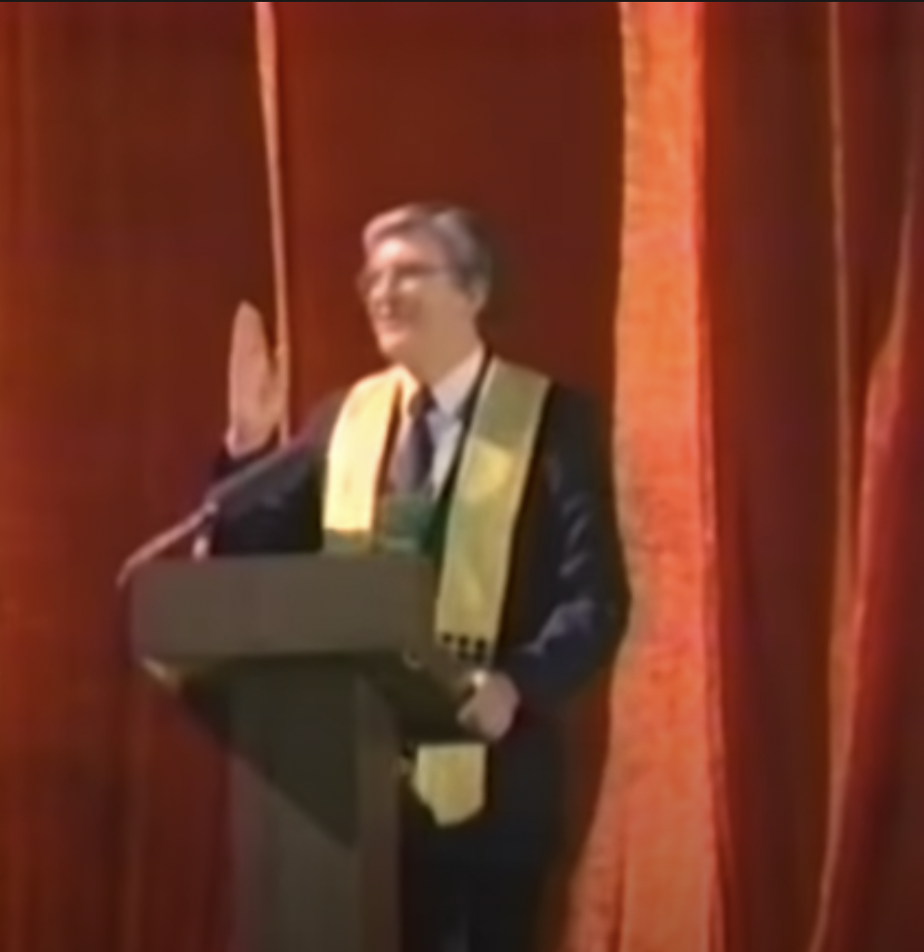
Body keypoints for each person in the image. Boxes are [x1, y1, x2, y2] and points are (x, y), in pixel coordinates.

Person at [206, 202, 630, 952]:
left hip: (492, 789)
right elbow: (256, 562)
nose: (382, 291)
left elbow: (593, 598)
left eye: (410, 273)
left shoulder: (549, 420)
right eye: (373, 277)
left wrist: (516, 684)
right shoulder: (345, 418)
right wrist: (247, 448)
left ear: (472, 292)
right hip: (350, 784)